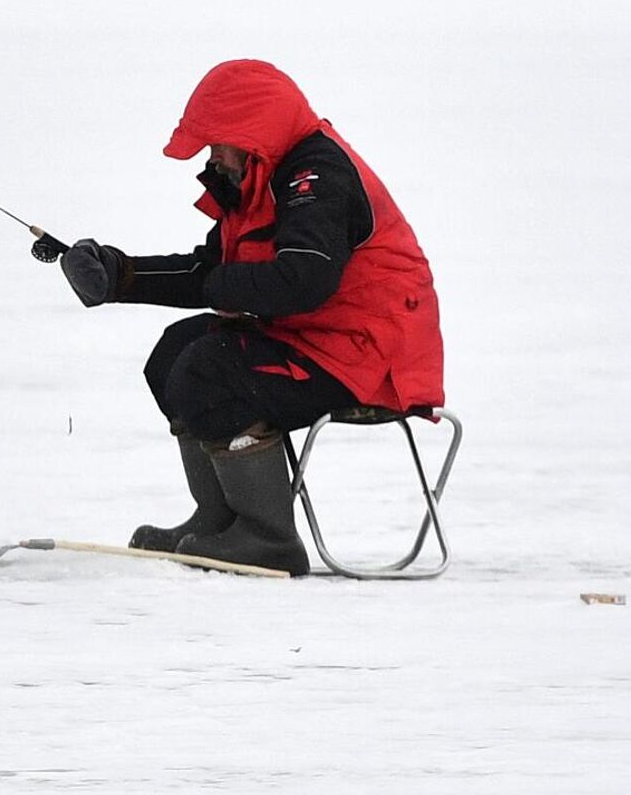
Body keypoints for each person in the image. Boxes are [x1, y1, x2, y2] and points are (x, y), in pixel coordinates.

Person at [59, 59, 444, 576]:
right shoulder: (261, 176)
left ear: (254, 132)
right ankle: (219, 520)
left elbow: (304, 282)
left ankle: (268, 538)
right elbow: (212, 268)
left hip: (370, 361)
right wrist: (120, 275)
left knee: (211, 366)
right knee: (175, 352)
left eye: (219, 142)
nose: (214, 156)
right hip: (316, 339)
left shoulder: (317, 178)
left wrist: (215, 285)